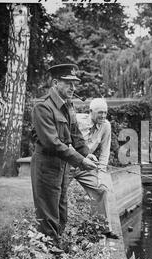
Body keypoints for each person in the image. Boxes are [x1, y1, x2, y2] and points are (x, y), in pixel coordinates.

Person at [31, 64, 98, 248]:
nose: (73, 88)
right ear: (55, 82)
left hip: (62, 167)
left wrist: (87, 154)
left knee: (62, 213)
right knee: (48, 216)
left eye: (74, 84)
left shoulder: (67, 106)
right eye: (69, 83)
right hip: (46, 168)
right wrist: (80, 161)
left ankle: (56, 252)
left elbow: (75, 134)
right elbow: (52, 143)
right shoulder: (42, 107)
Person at [73, 98, 119, 239]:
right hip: (68, 163)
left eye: (105, 113)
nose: (103, 116)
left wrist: (101, 175)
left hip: (86, 166)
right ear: (90, 112)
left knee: (101, 190)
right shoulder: (77, 120)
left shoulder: (106, 126)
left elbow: (105, 152)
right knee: (59, 195)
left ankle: (102, 228)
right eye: (100, 113)